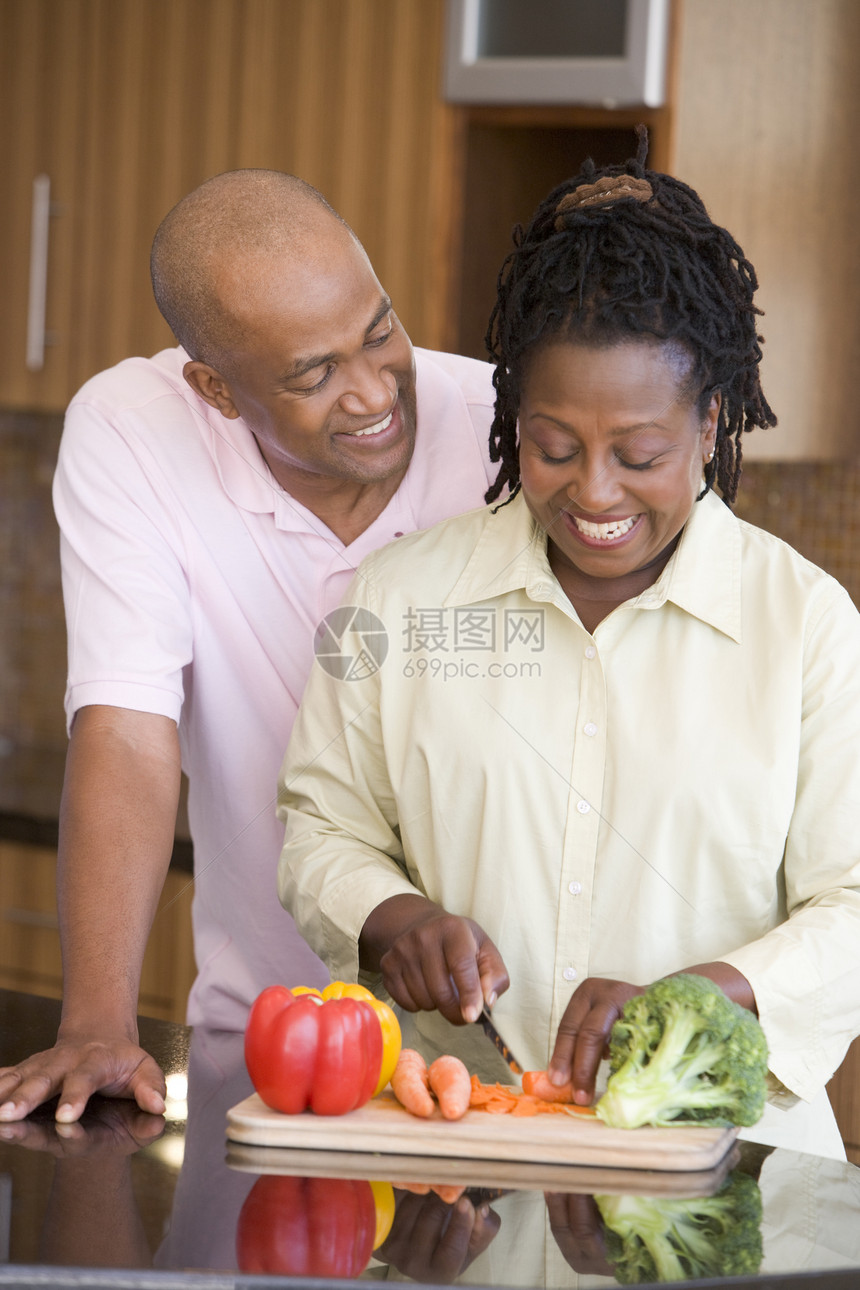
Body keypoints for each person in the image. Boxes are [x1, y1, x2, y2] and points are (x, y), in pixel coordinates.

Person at [277, 140, 860, 1158]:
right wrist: (390, 914)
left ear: (709, 421)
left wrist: (711, 992)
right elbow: (319, 825)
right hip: (458, 1164)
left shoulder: (805, 627)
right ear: (512, 420)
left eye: (639, 456)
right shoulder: (401, 600)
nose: (592, 492)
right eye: (553, 447)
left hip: (725, 1180)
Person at [0, 170, 497, 1124]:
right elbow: (126, 728)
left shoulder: (510, 432)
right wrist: (99, 1021)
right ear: (215, 389)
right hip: (268, 1048)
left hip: (490, 1056)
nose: (372, 392)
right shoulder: (134, 430)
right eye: (313, 374)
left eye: (379, 331)